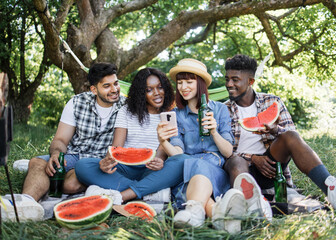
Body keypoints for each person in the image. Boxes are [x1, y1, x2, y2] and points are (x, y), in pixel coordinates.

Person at [223, 54, 336, 215]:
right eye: (227, 79)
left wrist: (275, 131)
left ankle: (333, 189)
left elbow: (292, 135)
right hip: (239, 169)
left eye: (235, 79)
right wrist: (252, 158)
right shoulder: (222, 110)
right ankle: (250, 207)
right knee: (237, 161)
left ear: (250, 81)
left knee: (291, 136)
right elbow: (222, 150)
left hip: (271, 167)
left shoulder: (272, 102)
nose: (229, 84)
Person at [1, 62, 126, 222]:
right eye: (107, 86)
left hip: (98, 162)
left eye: (116, 83)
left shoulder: (126, 107)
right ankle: (26, 203)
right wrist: (56, 154)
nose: (114, 89)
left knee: (70, 185)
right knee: (38, 163)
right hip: (74, 155)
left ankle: (42, 177)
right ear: (94, 89)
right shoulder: (77, 102)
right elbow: (60, 139)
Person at [157, 58, 246, 228]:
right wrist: (162, 141)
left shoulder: (220, 109)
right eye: (180, 82)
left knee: (198, 168)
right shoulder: (176, 115)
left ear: (201, 84)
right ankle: (219, 218)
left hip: (214, 170)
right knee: (194, 166)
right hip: (187, 170)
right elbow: (178, 153)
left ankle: (194, 212)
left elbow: (228, 152)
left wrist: (214, 132)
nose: (183, 87)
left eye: (189, 82)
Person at [75, 67, 185, 204]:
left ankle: (123, 194)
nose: (157, 93)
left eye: (160, 88)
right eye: (149, 90)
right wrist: (107, 162)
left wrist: (159, 162)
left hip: (152, 170)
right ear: (140, 93)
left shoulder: (170, 115)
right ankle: (147, 190)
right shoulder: (126, 111)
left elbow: (163, 151)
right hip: (125, 168)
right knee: (83, 166)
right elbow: (116, 148)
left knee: (182, 162)